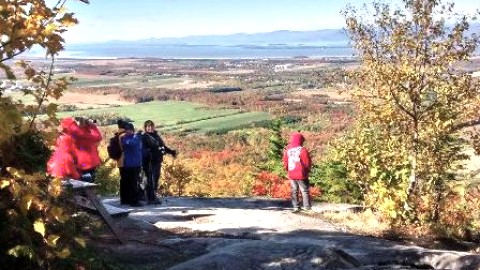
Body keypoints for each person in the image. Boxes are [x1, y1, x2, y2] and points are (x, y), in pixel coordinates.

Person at [141, 120, 177, 204]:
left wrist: (171, 151)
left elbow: (162, 147)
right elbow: (143, 149)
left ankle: (153, 197)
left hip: (157, 161)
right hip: (149, 162)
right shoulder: (144, 137)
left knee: (155, 179)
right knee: (150, 180)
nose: (150, 128)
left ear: (153, 127)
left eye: (151, 126)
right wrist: (151, 152)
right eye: (148, 126)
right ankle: (150, 199)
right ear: (145, 128)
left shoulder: (156, 136)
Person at [282, 132, 312, 213]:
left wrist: (287, 169)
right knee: (304, 190)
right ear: (301, 140)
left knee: (294, 190)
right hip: (301, 174)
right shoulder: (302, 150)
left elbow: (285, 162)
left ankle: (295, 207)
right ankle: (307, 207)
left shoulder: (288, 151)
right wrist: (308, 170)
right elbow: (307, 162)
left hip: (291, 173)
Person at [69, 117, 102, 182]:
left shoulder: (73, 133)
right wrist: (93, 126)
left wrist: (85, 124)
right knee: (89, 184)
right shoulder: (84, 135)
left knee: (83, 184)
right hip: (88, 164)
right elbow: (98, 137)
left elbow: (77, 128)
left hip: (79, 164)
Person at [118, 122, 143, 206]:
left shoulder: (136, 137)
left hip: (137, 163)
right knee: (132, 183)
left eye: (129, 130)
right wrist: (137, 135)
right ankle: (133, 201)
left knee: (135, 182)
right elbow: (131, 143)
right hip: (129, 164)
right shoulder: (124, 138)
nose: (128, 131)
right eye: (127, 130)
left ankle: (130, 199)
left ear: (132, 130)